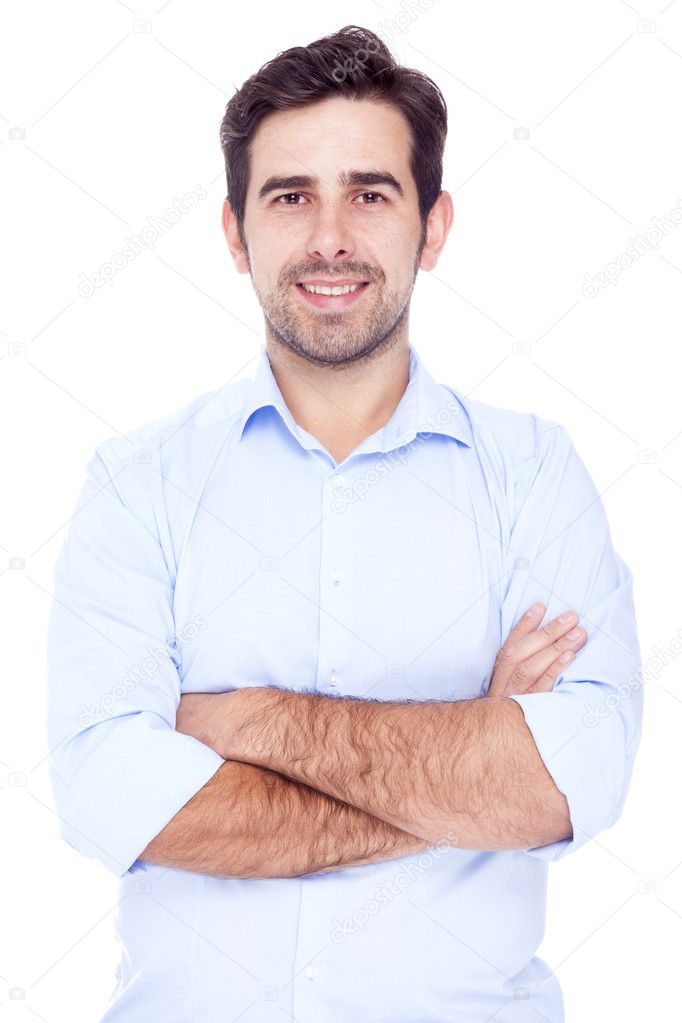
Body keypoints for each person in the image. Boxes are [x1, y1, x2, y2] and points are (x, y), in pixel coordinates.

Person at [46, 24, 643, 1023]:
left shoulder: (533, 475)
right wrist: (461, 764)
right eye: (291, 197)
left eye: (370, 194)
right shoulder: (138, 482)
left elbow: (567, 781)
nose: (330, 238)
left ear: (433, 226)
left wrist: (249, 725)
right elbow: (112, 796)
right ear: (235, 234)